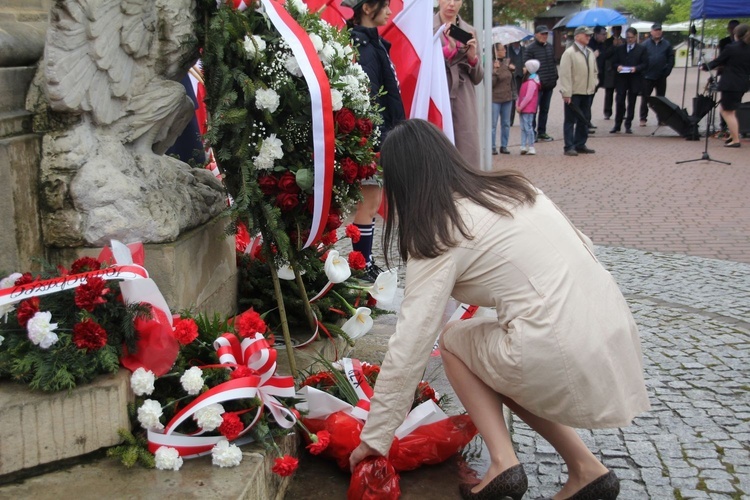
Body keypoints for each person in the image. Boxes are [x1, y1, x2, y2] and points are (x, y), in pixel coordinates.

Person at [348, 118, 650, 500]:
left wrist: (375, 439)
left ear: (403, 183)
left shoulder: (440, 230)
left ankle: (503, 462)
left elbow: (410, 343)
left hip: (560, 348)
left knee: (456, 343)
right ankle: (586, 468)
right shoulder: (513, 188)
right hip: (611, 330)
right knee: (503, 353)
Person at [345, 0, 405, 280]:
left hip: (379, 136)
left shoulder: (373, 44)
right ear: (368, 8)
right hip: (373, 139)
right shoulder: (365, 47)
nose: (390, 12)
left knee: (372, 201)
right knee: (367, 203)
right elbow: (368, 99)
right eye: (386, 6)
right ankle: (361, 265)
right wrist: (376, 141)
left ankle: (365, 262)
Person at [434, 0, 484, 167]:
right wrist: (447, 50)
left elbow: (478, 77)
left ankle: (469, 188)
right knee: (437, 139)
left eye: (456, 0)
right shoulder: (428, 27)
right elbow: (421, 64)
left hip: (463, 93)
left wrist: (472, 58)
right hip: (438, 90)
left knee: (467, 142)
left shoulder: (470, 31)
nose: (451, 4)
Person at [702, 23, 750, 148]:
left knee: (727, 111)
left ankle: (735, 139)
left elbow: (719, 61)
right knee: (730, 110)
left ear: (736, 35)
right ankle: (732, 135)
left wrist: (705, 67)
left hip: (730, 83)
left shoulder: (731, 47)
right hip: (742, 83)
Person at [559, 26, 598, 157]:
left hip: (587, 91)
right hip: (574, 92)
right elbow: (565, 74)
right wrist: (566, 92)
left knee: (585, 118)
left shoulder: (590, 52)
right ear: (577, 36)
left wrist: (594, 83)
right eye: (585, 35)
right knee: (570, 120)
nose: (588, 37)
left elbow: (594, 71)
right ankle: (569, 146)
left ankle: (580, 143)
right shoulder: (569, 53)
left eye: (589, 35)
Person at [609, 28, 649, 135]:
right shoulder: (620, 49)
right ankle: (617, 125)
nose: (629, 39)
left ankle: (628, 125)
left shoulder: (641, 49)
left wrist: (636, 68)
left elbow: (645, 64)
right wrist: (618, 67)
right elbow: (613, 63)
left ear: (635, 37)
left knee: (632, 102)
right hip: (621, 79)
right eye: (627, 37)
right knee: (619, 101)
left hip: (634, 78)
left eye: (631, 37)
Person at [524, 25, 558, 142]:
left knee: (545, 109)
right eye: (542, 34)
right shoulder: (530, 49)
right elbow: (527, 66)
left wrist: (555, 77)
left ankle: (542, 131)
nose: (544, 36)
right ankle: (532, 132)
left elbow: (553, 63)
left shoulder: (550, 47)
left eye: (546, 34)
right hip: (536, 85)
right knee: (533, 109)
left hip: (549, 83)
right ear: (536, 34)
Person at [639, 23, 675, 127]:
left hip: (661, 76)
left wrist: (667, 71)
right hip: (647, 76)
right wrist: (643, 72)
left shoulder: (667, 44)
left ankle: (661, 119)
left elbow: (671, 59)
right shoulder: (645, 45)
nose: (657, 32)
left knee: (661, 99)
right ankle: (643, 118)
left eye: (659, 30)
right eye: (655, 30)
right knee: (645, 98)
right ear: (651, 32)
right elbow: (641, 59)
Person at [716, 20, 740, 137]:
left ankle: (734, 133)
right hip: (727, 75)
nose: (732, 31)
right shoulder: (724, 42)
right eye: (731, 28)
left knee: (731, 107)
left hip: (737, 77)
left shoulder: (745, 45)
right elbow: (721, 59)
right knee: (725, 105)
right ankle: (724, 127)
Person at [491, 43, 515, 155]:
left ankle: (504, 146)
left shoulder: (506, 63)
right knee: (493, 124)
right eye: (502, 49)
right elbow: (490, 84)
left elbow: (510, 81)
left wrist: (512, 71)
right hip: (495, 98)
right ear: (496, 52)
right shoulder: (492, 64)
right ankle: (492, 146)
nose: (504, 51)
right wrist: (494, 72)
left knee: (506, 123)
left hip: (507, 98)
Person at [516, 59, 541, 155]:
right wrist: (517, 104)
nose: (523, 68)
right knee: (523, 127)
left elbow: (528, 97)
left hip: (528, 108)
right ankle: (523, 145)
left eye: (525, 67)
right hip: (523, 108)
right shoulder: (526, 81)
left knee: (528, 127)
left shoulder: (531, 82)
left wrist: (520, 106)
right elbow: (520, 95)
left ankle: (531, 146)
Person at [587, 26, 607, 132]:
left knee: (591, 99)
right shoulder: (589, 45)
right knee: (588, 100)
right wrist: (593, 56)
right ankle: (585, 122)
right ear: (596, 34)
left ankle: (587, 121)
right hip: (590, 76)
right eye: (603, 34)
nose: (604, 36)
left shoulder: (602, 45)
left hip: (599, 75)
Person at [602, 26, 624, 120]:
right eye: (615, 29)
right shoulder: (607, 42)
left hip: (621, 69)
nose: (617, 31)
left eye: (619, 29)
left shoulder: (624, 41)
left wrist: (621, 46)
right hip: (610, 70)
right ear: (612, 30)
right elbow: (605, 55)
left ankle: (621, 112)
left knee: (621, 93)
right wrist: (613, 46)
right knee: (609, 93)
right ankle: (607, 112)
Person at [507, 41, 525, 126]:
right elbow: (505, 61)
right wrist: (509, 65)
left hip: (522, 76)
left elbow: (527, 60)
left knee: (523, 97)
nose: (517, 43)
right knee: (513, 98)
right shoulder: (507, 50)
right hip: (511, 76)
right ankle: (510, 120)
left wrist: (526, 67)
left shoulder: (524, 49)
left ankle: (523, 119)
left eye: (518, 41)